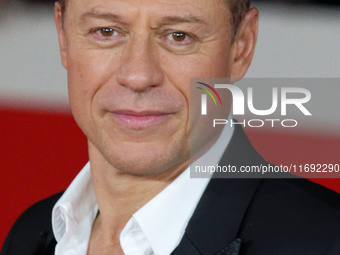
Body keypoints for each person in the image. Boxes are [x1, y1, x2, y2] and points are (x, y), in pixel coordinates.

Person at [2, 0, 340, 254]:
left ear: (241, 46)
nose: (137, 75)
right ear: (63, 36)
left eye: (179, 36)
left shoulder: (326, 241)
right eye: (106, 31)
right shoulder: (30, 236)